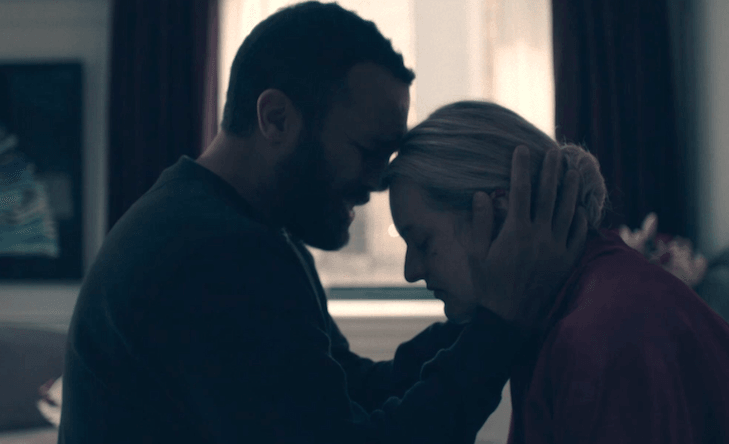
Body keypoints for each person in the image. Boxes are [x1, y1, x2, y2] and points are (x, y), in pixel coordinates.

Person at [57, 3, 588, 443]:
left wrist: (489, 305)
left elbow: (354, 391)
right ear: (276, 119)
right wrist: (500, 326)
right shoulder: (210, 254)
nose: (378, 182)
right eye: (368, 151)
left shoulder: (247, 231)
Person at [382, 99, 729, 443]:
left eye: (423, 242)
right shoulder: (560, 307)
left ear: (501, 212)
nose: (410, 271)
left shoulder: (603, 330)